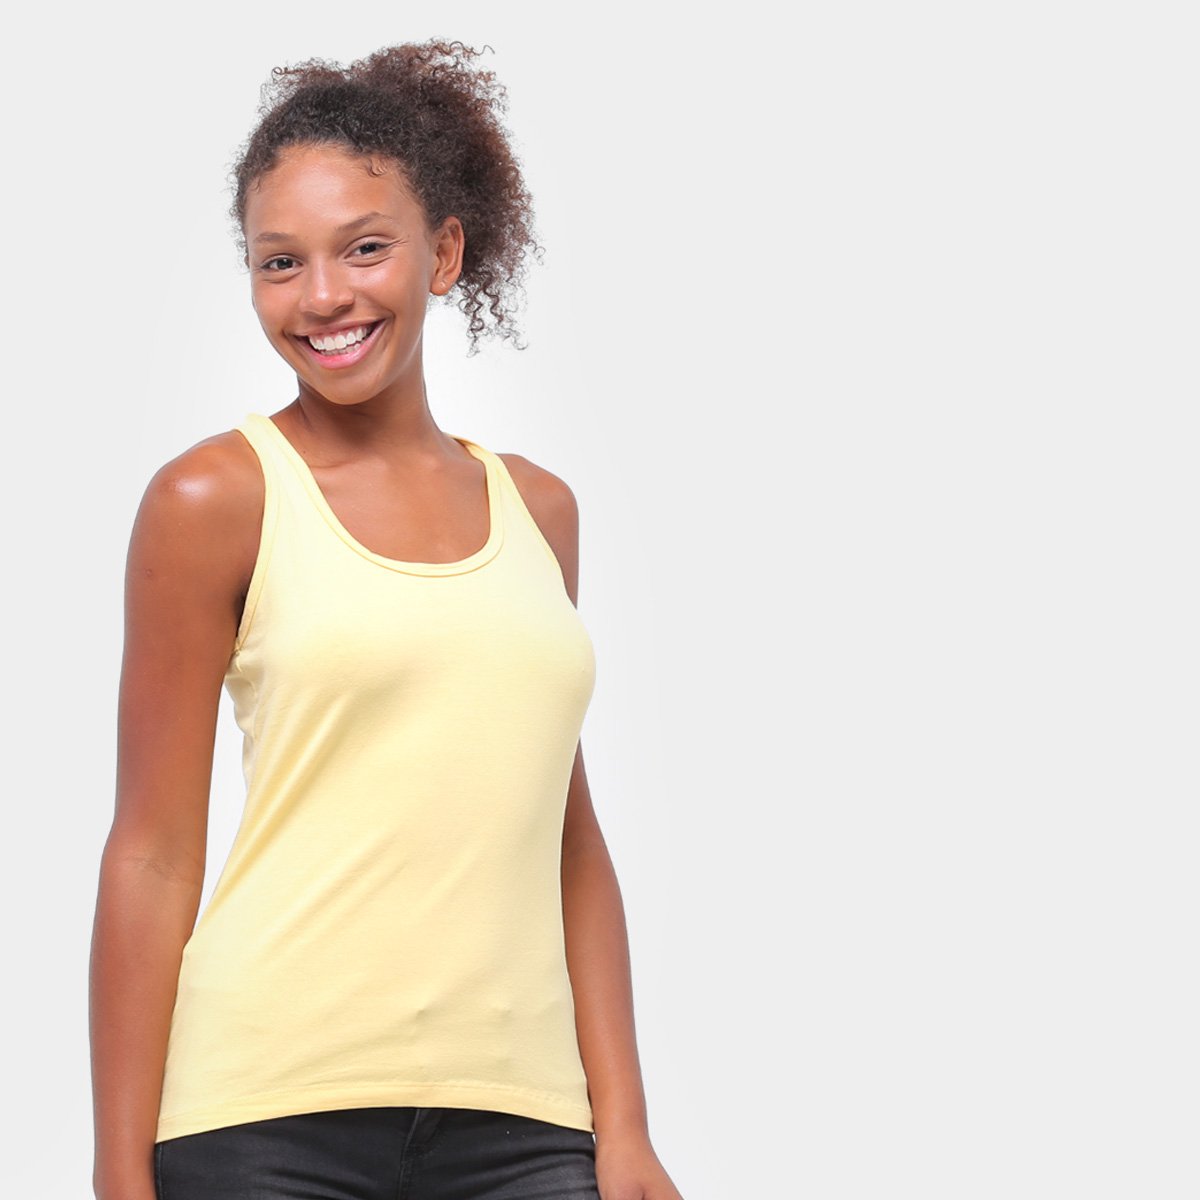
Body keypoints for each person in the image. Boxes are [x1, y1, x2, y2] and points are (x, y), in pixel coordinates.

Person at [89, 40, 684, 1200]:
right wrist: (120, 1174)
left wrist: (625, 1127)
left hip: (526, 1123)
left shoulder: (539, 511)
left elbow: (568, 841)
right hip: (264, 1118)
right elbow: (151, 855)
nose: (323, 296)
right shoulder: (214, 499)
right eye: (280, 262)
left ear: (444, 252)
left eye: (365, 247)